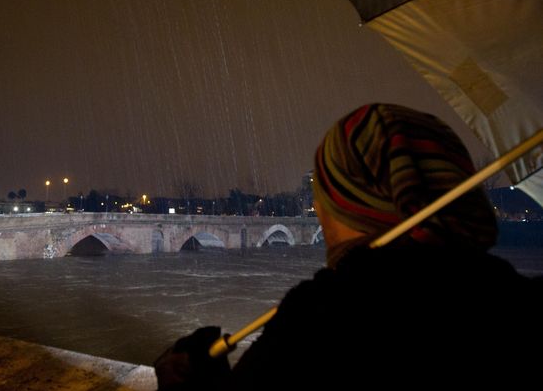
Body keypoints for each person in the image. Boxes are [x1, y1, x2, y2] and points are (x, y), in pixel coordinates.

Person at [154, 103, 543, 389]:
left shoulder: (318, 324)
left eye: (325, 193)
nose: (319, 210)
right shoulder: (521, 307)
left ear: (353, 202)